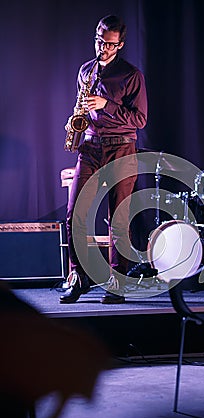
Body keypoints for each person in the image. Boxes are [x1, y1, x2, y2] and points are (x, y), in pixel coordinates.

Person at [60, 14, 148, 304]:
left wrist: (106, 105)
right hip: (90, 147)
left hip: (121, 148)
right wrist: (75, 119)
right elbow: (81, 107)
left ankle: (116, 281)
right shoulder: (86, 70)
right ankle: (78, 276)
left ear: (120, 44)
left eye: (109, 44)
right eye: (99, 42)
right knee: (75, 214)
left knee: (118, 219)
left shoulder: (131, 75)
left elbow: (140, 119)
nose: (102, 49)